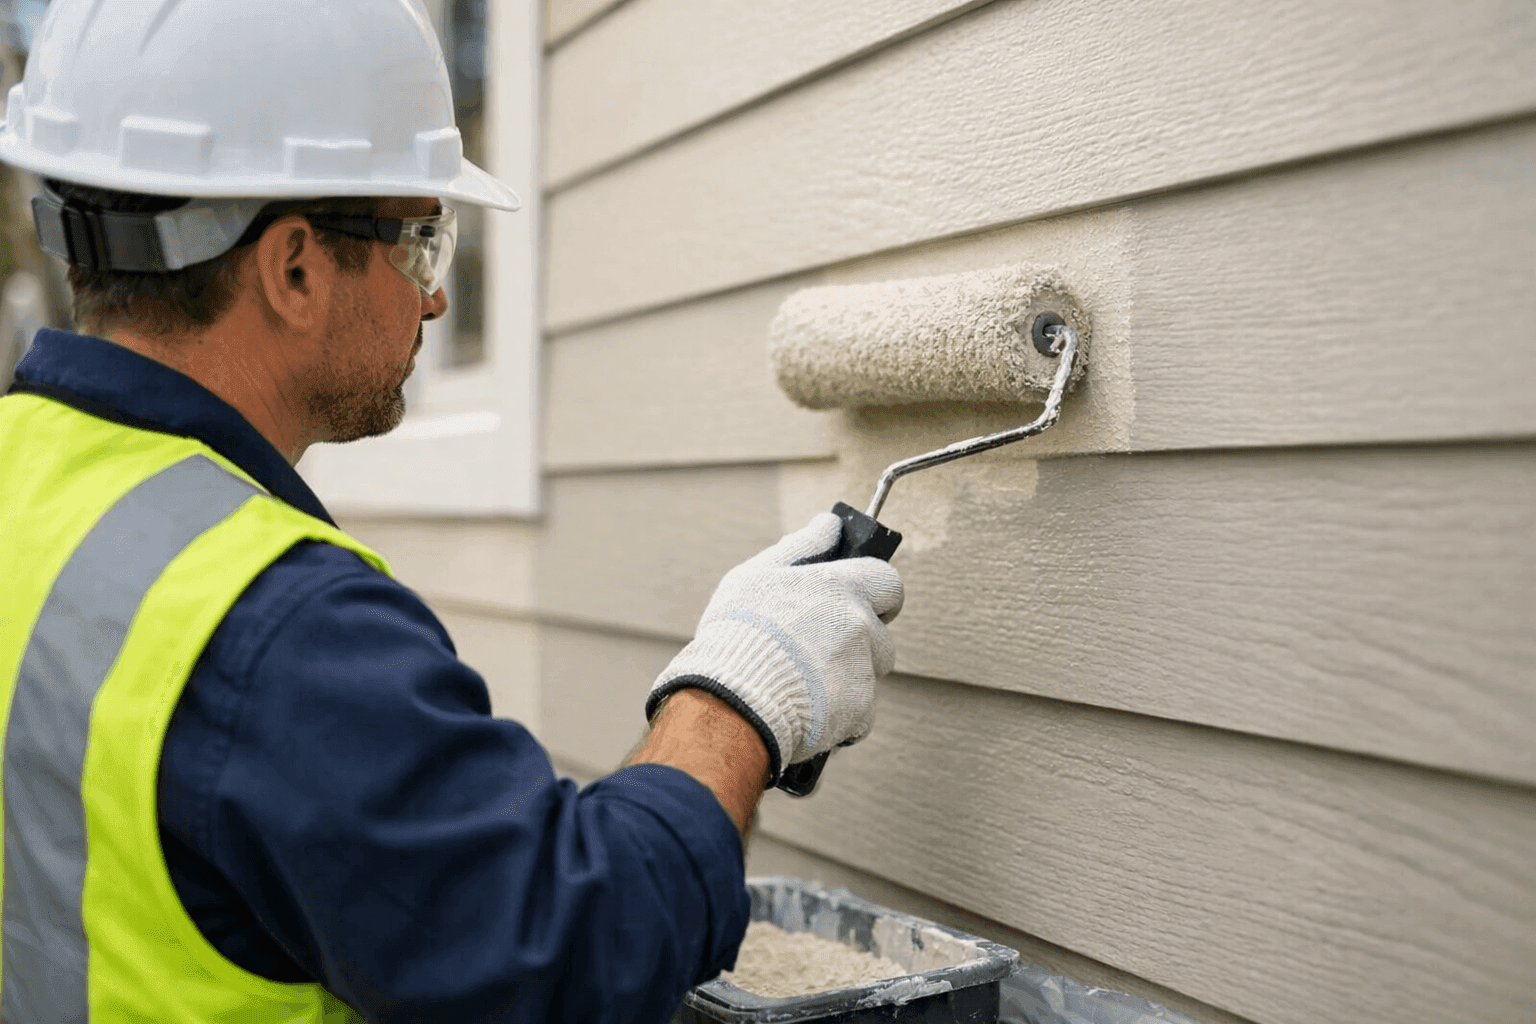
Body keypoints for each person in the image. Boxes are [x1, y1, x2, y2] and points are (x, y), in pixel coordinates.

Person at [0, 1, 903, 1022]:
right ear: (294, 266)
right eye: (418, 238)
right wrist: (742, 693)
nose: (432, 297)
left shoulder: (24, 473)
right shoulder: (267, 631)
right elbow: (568, 950)